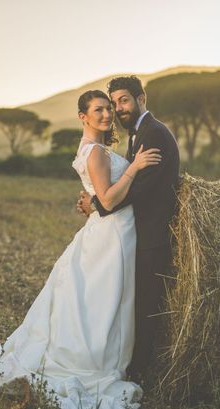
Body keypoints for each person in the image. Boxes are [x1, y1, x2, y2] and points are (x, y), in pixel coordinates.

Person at [0, 90, 162, 409]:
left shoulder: (94, 150)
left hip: (114, 232)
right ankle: (92, 363)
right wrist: (136, 167)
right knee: (102, 300)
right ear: (83, 116)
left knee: (100, 300)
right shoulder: (94, 152)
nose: (107, 114)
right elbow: (108, 198)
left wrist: (93, 199)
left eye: (109, 108)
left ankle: (104, 357)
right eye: (99, 110)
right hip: (112, 235)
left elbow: (99, 196)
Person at [77, 76, 180, 386]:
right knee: (127, 303)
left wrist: (99, 204)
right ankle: (126, 366)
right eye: (112, 104)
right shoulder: (140, 133)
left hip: (152, 234)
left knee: (145, 307)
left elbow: (145, 188)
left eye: (122, 101)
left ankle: (139, 377)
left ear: (141, 98)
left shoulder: (155, 134)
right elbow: (127, 184)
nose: (116, 110)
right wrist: (100, 201)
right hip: (132, 233)